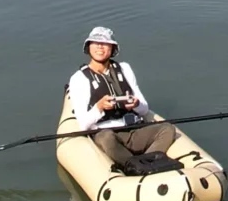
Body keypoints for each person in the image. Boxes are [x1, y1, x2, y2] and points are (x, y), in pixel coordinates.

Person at [67, 27, 182, 174]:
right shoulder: (79, 79)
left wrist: (136, 104)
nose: (100, 47)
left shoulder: (125, 69)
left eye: (105, 43)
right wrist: (99, 107)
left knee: (167, 129)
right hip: (107, 134)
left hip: (133, 130)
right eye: (95, 43)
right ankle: (133, 166)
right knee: (106, 137)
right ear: (88, 47)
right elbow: (83, 125)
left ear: (113, 48)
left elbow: (144, 109)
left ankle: (147, 162)